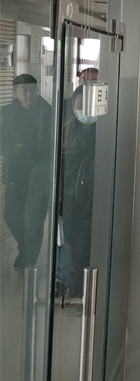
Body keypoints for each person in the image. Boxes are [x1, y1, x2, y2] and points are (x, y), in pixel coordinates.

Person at [0, 74, 53, 269]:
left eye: (31, 90)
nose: (28, 95)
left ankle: (29, 262)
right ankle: (26, 249)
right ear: (15, 93)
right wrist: (10, 148)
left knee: (34, 221)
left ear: (37, 90)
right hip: (15, 175)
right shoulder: (5, 113)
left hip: (39, 176)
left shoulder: (49, 112)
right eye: (24, 91)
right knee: (11, 216)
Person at [57, 85, 97, 297]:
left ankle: (90, 293)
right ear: (73, 108)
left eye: (88, 105)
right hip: (72, 202)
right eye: (80, 105)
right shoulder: (64, 133)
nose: (84, 110)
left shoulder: (107, 133)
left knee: (91, 247)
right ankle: (75, 292)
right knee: (72, 248)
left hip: (96, 200)